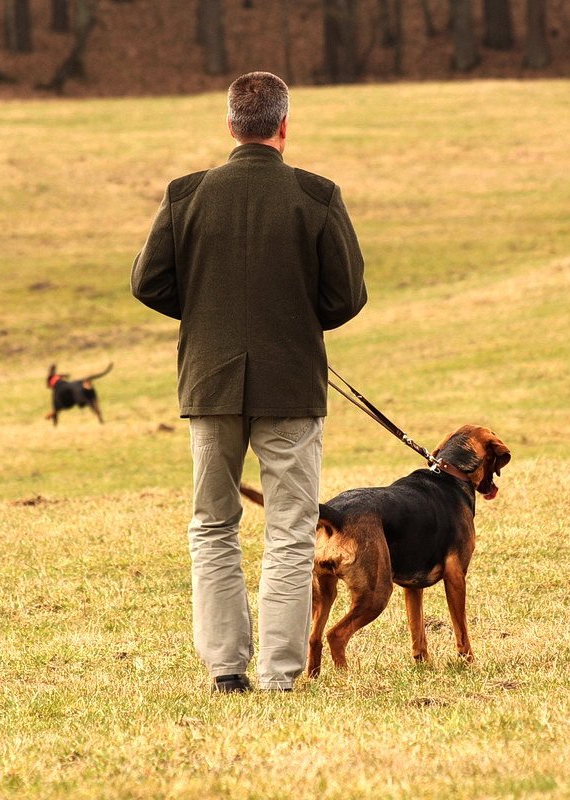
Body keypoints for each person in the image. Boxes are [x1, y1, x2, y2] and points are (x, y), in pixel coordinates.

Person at [130, 71, 367, 693]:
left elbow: (147, 283)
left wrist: (209, 313)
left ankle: (226, 670)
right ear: (284, 127)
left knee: (212, 524)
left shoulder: (186, 195)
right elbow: (345, 297)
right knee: (291, 530)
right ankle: (279, 675)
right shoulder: (316, 196)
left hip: (208, 386)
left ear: (231, 125)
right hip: (291, 385)